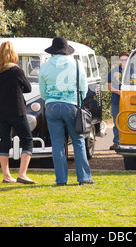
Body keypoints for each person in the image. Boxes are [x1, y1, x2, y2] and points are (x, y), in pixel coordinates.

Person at [39, 36, 95, 186]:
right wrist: (78, 101)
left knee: (57, 143)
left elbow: (42, 92)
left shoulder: (44, 66)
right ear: (66, 51)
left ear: (52, 51)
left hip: (51, 105)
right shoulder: (76, 64)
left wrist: (51, 99)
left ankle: (61, 179)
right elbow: (84, 87)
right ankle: (84, 178)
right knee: (78, 141)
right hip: (71, 105)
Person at [0, 41, 36, 184]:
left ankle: (6, 175)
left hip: (1, 110)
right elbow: (28, 87)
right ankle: (22, 174)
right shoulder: (16, 70)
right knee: (27, 140)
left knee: (4, 141)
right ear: (13, 54)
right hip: (16, 109)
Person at [107, 52, 129, 150]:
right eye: (122, 60)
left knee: (130, 121)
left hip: (130, 102)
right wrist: (119, 92)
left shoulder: (134, 72)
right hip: (116, 101)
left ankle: (129, 142)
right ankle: (117, 142)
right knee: (117, 122)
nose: (124, 61)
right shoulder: (114, 71)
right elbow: (109, 86)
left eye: (126, 59)